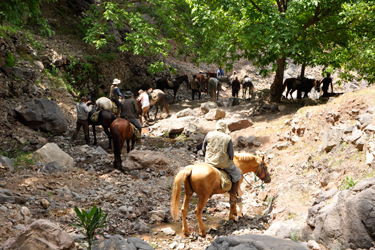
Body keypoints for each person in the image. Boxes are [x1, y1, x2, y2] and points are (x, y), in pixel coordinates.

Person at [202, 120, 242, 204]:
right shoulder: (227, 138)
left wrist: (207, 158)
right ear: (225, 128)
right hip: (223, 164)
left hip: (209, 162)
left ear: (216, 126)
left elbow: (203, 149)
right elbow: (231, 155)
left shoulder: (209, 134)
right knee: (237, 174)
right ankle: (232, 197)